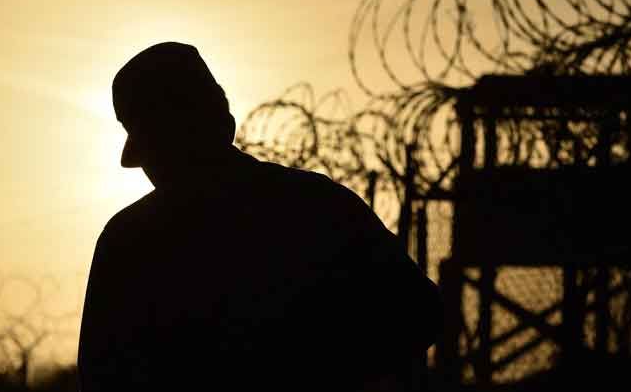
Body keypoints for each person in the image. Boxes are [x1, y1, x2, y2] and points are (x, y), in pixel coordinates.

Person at [78, 42, 442, 391]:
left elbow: (101, 376)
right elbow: (421, 314)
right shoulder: (317, 205)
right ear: (225, 125)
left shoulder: (129, 241)